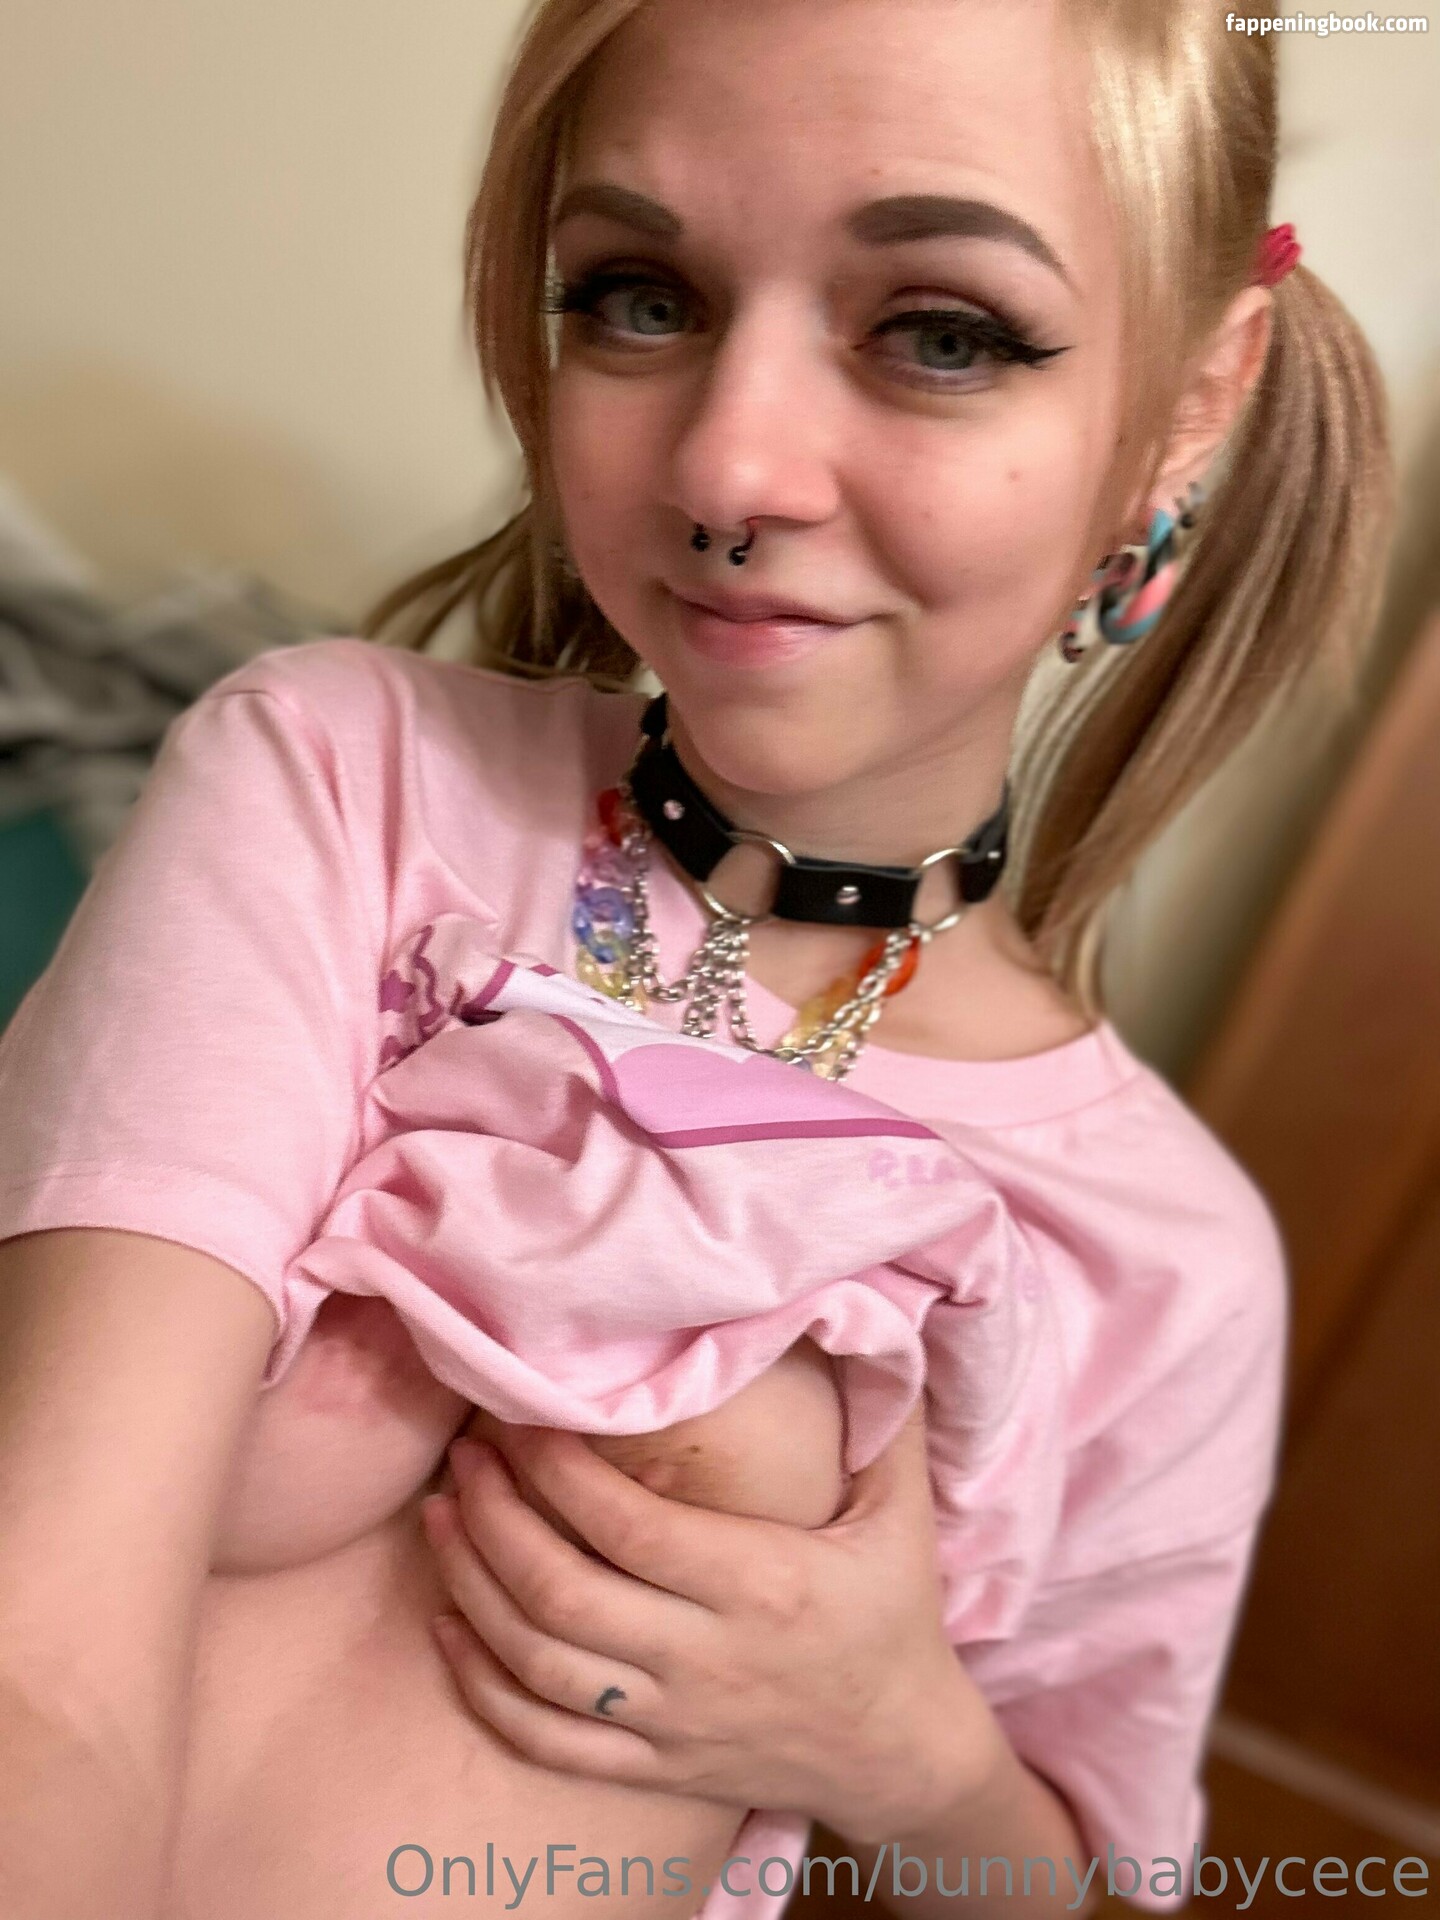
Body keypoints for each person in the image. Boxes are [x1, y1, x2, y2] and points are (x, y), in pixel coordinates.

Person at [0, 2, 1392, 1917]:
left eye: (942, 333)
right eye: (639, 298)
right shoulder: (332, 781)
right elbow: (41, 1661)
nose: (731, 466)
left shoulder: (1162, 1255)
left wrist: (902, 1748)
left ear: (1191, 404)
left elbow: (1084, 1882)